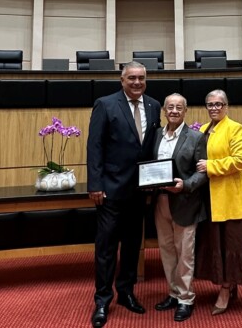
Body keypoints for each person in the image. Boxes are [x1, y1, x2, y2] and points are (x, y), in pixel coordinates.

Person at [87, 61, 162, 328]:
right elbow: (94, 146)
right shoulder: (105, 104)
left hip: (139, 192)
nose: (137, 82)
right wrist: (95, 185)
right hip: (110, 191)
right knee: (106, 248)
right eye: (132, 78)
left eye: (141, 78)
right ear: (122, 80)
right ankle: (102, 300)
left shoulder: (154, 105)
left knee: (132, 246)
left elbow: (153, 147)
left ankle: (126, 292)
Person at [195, 89, 242, 315]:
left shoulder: (235, 128)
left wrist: (210, 166)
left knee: (232, 244)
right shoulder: (202, 130)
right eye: (210, 104)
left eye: (219, 104)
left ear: (226, 106)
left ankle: (226, 288)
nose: (214, 108)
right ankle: (226, 284)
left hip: (230, 200)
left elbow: (240, 161)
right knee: (216, 244)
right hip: (209, 199)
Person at [152, 93, 208, 322]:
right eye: (170, 107)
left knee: (185, 254)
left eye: (179, 107)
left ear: (186, 111)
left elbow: (202, 173)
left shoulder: (196, 137)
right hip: (160, 202)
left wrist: (185, 185)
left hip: (185, 203)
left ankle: (186, 298)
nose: (174, 111)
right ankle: (173, 293)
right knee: (166, 251)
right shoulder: (156, 135)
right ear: (164, 111)